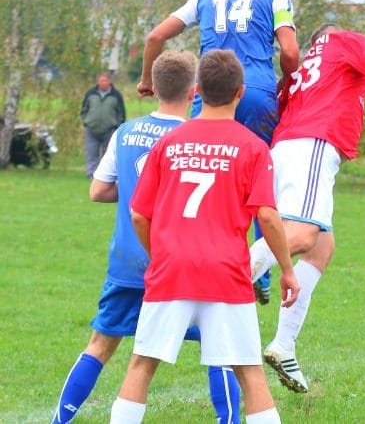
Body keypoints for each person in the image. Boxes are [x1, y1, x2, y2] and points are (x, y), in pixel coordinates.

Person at [246, 23, 365, 393]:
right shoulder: (342, 40)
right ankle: (223, 283)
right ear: (329, 35)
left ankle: (284, 344)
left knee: (322, 248)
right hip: (313, 146)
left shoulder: (302, 69)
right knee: (304, 236)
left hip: (288, 150)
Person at [110, 49, 300, 423]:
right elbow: (267, 215)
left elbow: (138, 213)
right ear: (240, 93)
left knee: (141, 365)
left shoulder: (168, 143)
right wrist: (288, 269)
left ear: (197, 91)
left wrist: (160, 253)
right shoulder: (252, 147)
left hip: (171, 271)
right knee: (249, 372)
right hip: (226, 273)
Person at [54, 51, 244, 424]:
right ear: (195, 92)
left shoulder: (125, 132)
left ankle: (59, 420)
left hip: (127, 260)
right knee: (220, 346)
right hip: (176, 263)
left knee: (100, 346)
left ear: (153, 87)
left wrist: (131, 192)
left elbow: (97, 191)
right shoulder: (193, 137)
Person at [135, 0, 299, 306]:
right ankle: (261, 272)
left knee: (200, 168)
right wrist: (287, 79)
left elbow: (154, 37)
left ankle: (192, 259)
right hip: (254, 91)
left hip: (207, 93)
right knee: (258, 184)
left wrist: (147, 78)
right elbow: (289, 49)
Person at [80, 72, 125, 178]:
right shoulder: (91, 94)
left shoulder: (116, 95)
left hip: (109, 130)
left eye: (105, 80)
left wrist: (117, 126)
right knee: (91, 154)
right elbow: (84, 110)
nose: (103, 83)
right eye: (101, 80)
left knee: (108, 155)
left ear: (109, 82)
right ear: (98, 82)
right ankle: (91, 174)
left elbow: (121, 113)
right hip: (91, 129)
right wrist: (86, 121)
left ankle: (105, 176)